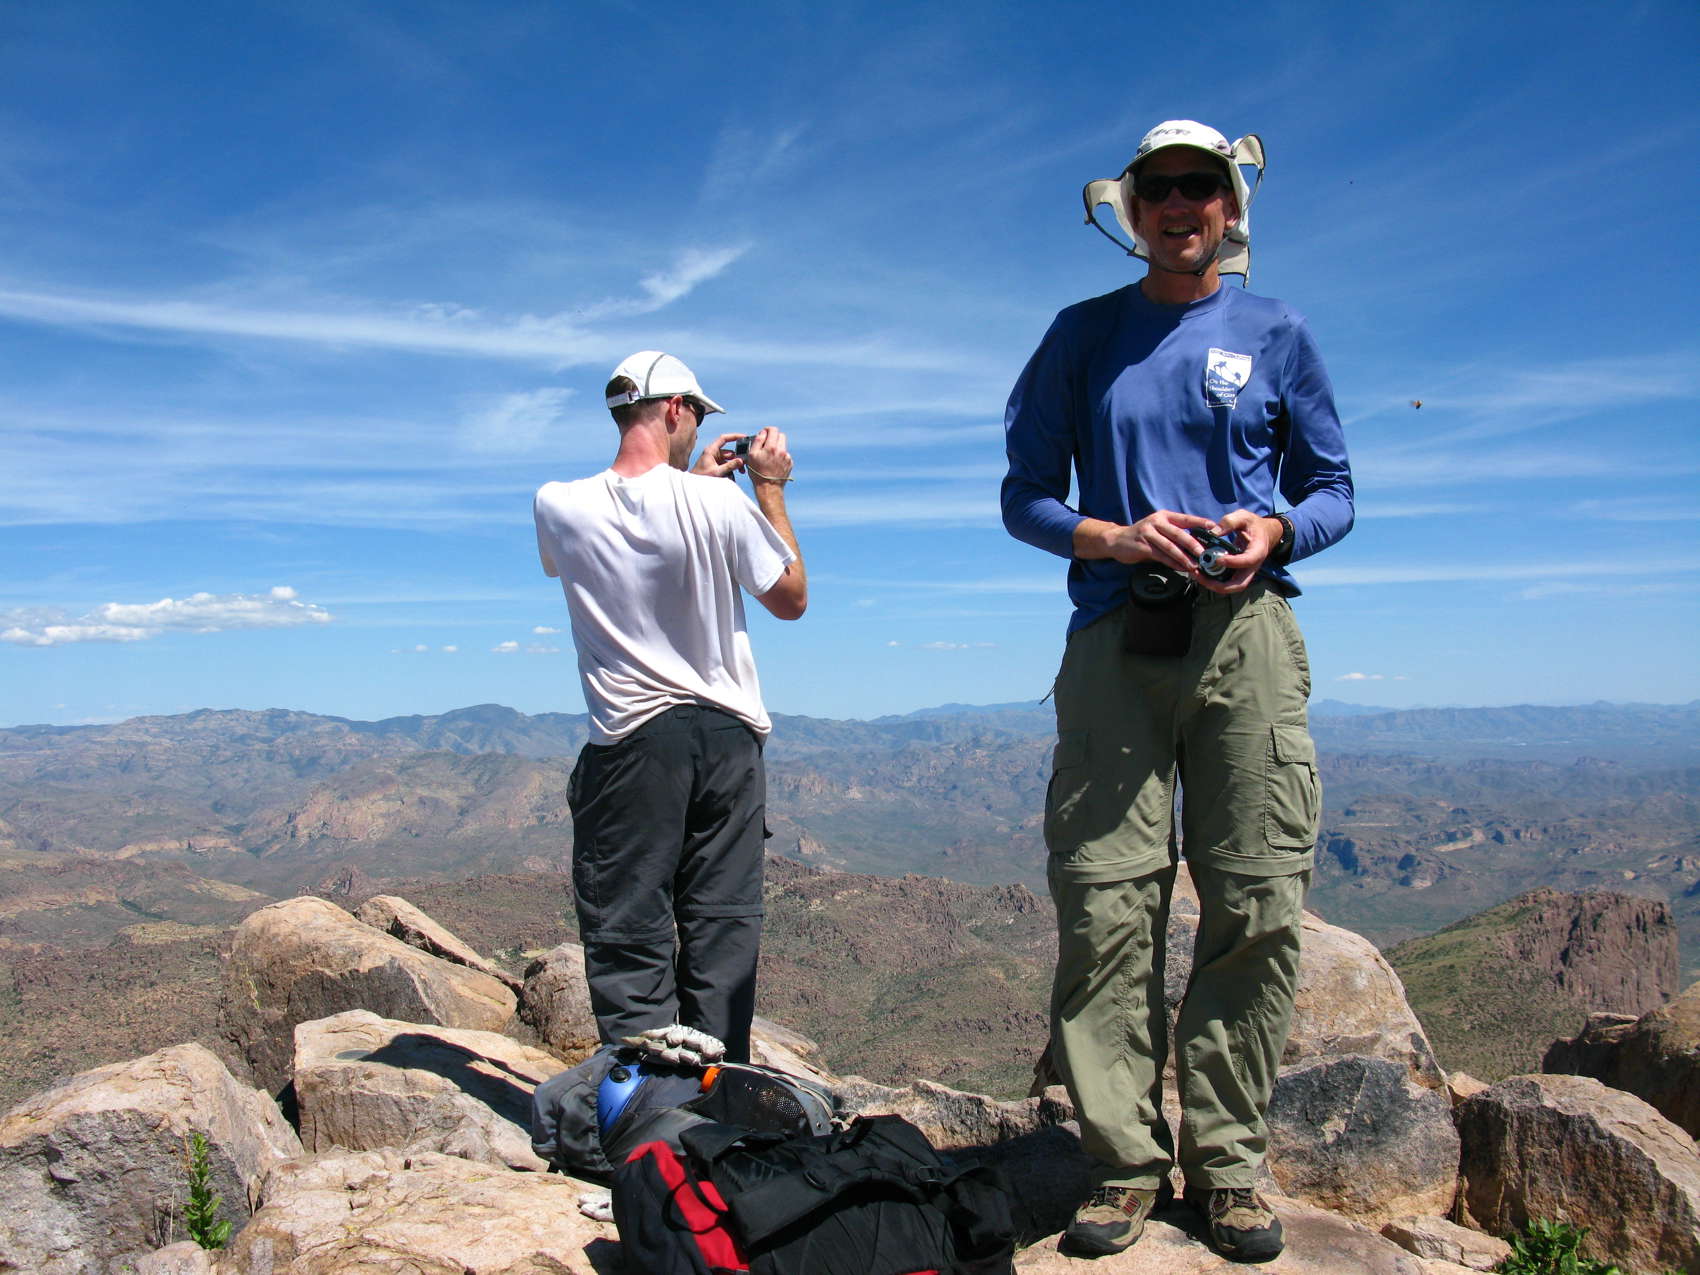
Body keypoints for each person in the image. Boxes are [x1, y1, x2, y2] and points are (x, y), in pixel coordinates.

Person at [1001, 120, 1353, 1262]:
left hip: (1246, 639)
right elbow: (1022, 495)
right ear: (1133, 209)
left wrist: (1274, 530)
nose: (1179, 203)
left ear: (1229, 207)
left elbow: (1334, 489)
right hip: (1117, 636)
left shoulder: (1277, 330)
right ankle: (1121, 1166)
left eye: (1202, 185)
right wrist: (1113, 534)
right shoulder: (1082, 335)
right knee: (1106, 903)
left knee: (1254, 898)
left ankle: (1231, 1168)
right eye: (1158, 187)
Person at [534, 350, 805, 1066]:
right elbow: (791, 596)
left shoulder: (556, 504)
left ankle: (647, 1105)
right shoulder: (721, 504)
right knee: (721, 925)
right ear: (677, 409)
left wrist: (694, 484)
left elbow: (633, 530)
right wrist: (769, 488)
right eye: (698, 419)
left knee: (629, 928)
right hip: (728, 739)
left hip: (631, 742)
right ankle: (718, 1100)